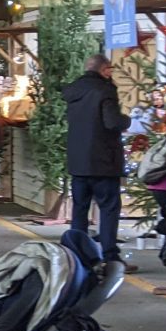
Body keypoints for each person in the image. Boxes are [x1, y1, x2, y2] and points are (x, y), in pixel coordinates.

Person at [63, 53, 127, 263]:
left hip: (78, 161)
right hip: (103, 161)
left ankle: (77, 254)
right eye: (110, 70)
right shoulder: (104, 91)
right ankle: (109, 255)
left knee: (80, 209)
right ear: (103, 70)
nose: (111, 74)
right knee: (109, 208)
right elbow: (111, 122)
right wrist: (126, 120)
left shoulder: (74, 91)